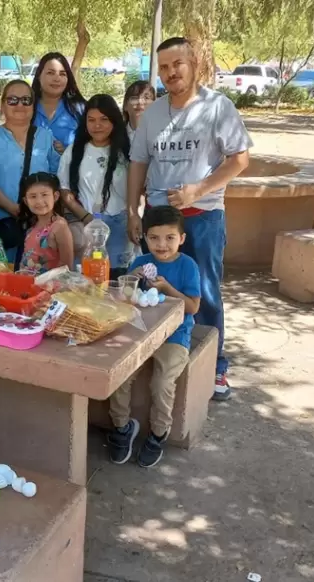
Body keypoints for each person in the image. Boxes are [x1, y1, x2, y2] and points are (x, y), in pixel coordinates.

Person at [127, 37, 252, 402]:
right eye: (163, 67)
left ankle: (215, 368)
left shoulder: (218, 107)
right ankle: (162, 355)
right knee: (152, 287)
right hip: (157, 219)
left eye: (176, 64)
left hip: (203, 217)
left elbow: (240, 160)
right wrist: (133, 211)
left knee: (206, 292)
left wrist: (199, 190)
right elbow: (139, 163)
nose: (170, 73)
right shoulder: (153, 113)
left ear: (193, 62)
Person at [107, 206, 200, 468]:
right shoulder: (141, 263)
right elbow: (124, 300)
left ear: (181, 238)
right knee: (120, 375)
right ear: (144, 238)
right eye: (154, 238)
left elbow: (193, 307)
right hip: (140, 331)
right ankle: (122, 427)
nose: (162, 244)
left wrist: (168, 288)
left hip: (175, 335)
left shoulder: (187, 266)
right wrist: (132, 281)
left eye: (170, 238)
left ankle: (159, 433)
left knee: (161, 383)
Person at [0, 80, 61, 258]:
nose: (20, 105)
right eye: (13, 100)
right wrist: (15, 209)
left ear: (33, 105)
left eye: (26, 100)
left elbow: (55, 176)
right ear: (3, 105)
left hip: (38, 226)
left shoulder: (46, 137)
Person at [58, 94, 134, 274]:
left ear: (114, 120)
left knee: (117, 279)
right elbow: (64, 190)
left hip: (122, 224)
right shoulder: (74, 150)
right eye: (91, 120)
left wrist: (133, 217)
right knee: (89, 280)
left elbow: (139, 188)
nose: (97, 125)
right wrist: (86, 218)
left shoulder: (128, 150)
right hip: (88, 225)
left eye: (103, 119)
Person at [18, 172, 74, 274]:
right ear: (26, 201)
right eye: (33, 196)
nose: (39, 201)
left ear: (55, 196)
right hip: (25, 285)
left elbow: (66, 267)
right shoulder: (32, 224)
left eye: (44, 195)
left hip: (48, 287)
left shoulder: (59, 226)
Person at [32, 52, 86, 154]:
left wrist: (68, 154)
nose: (57, 79)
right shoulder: (26, 107)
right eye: (50, 73)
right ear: (39, 75)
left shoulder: (81, 109)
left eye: (62, 74)